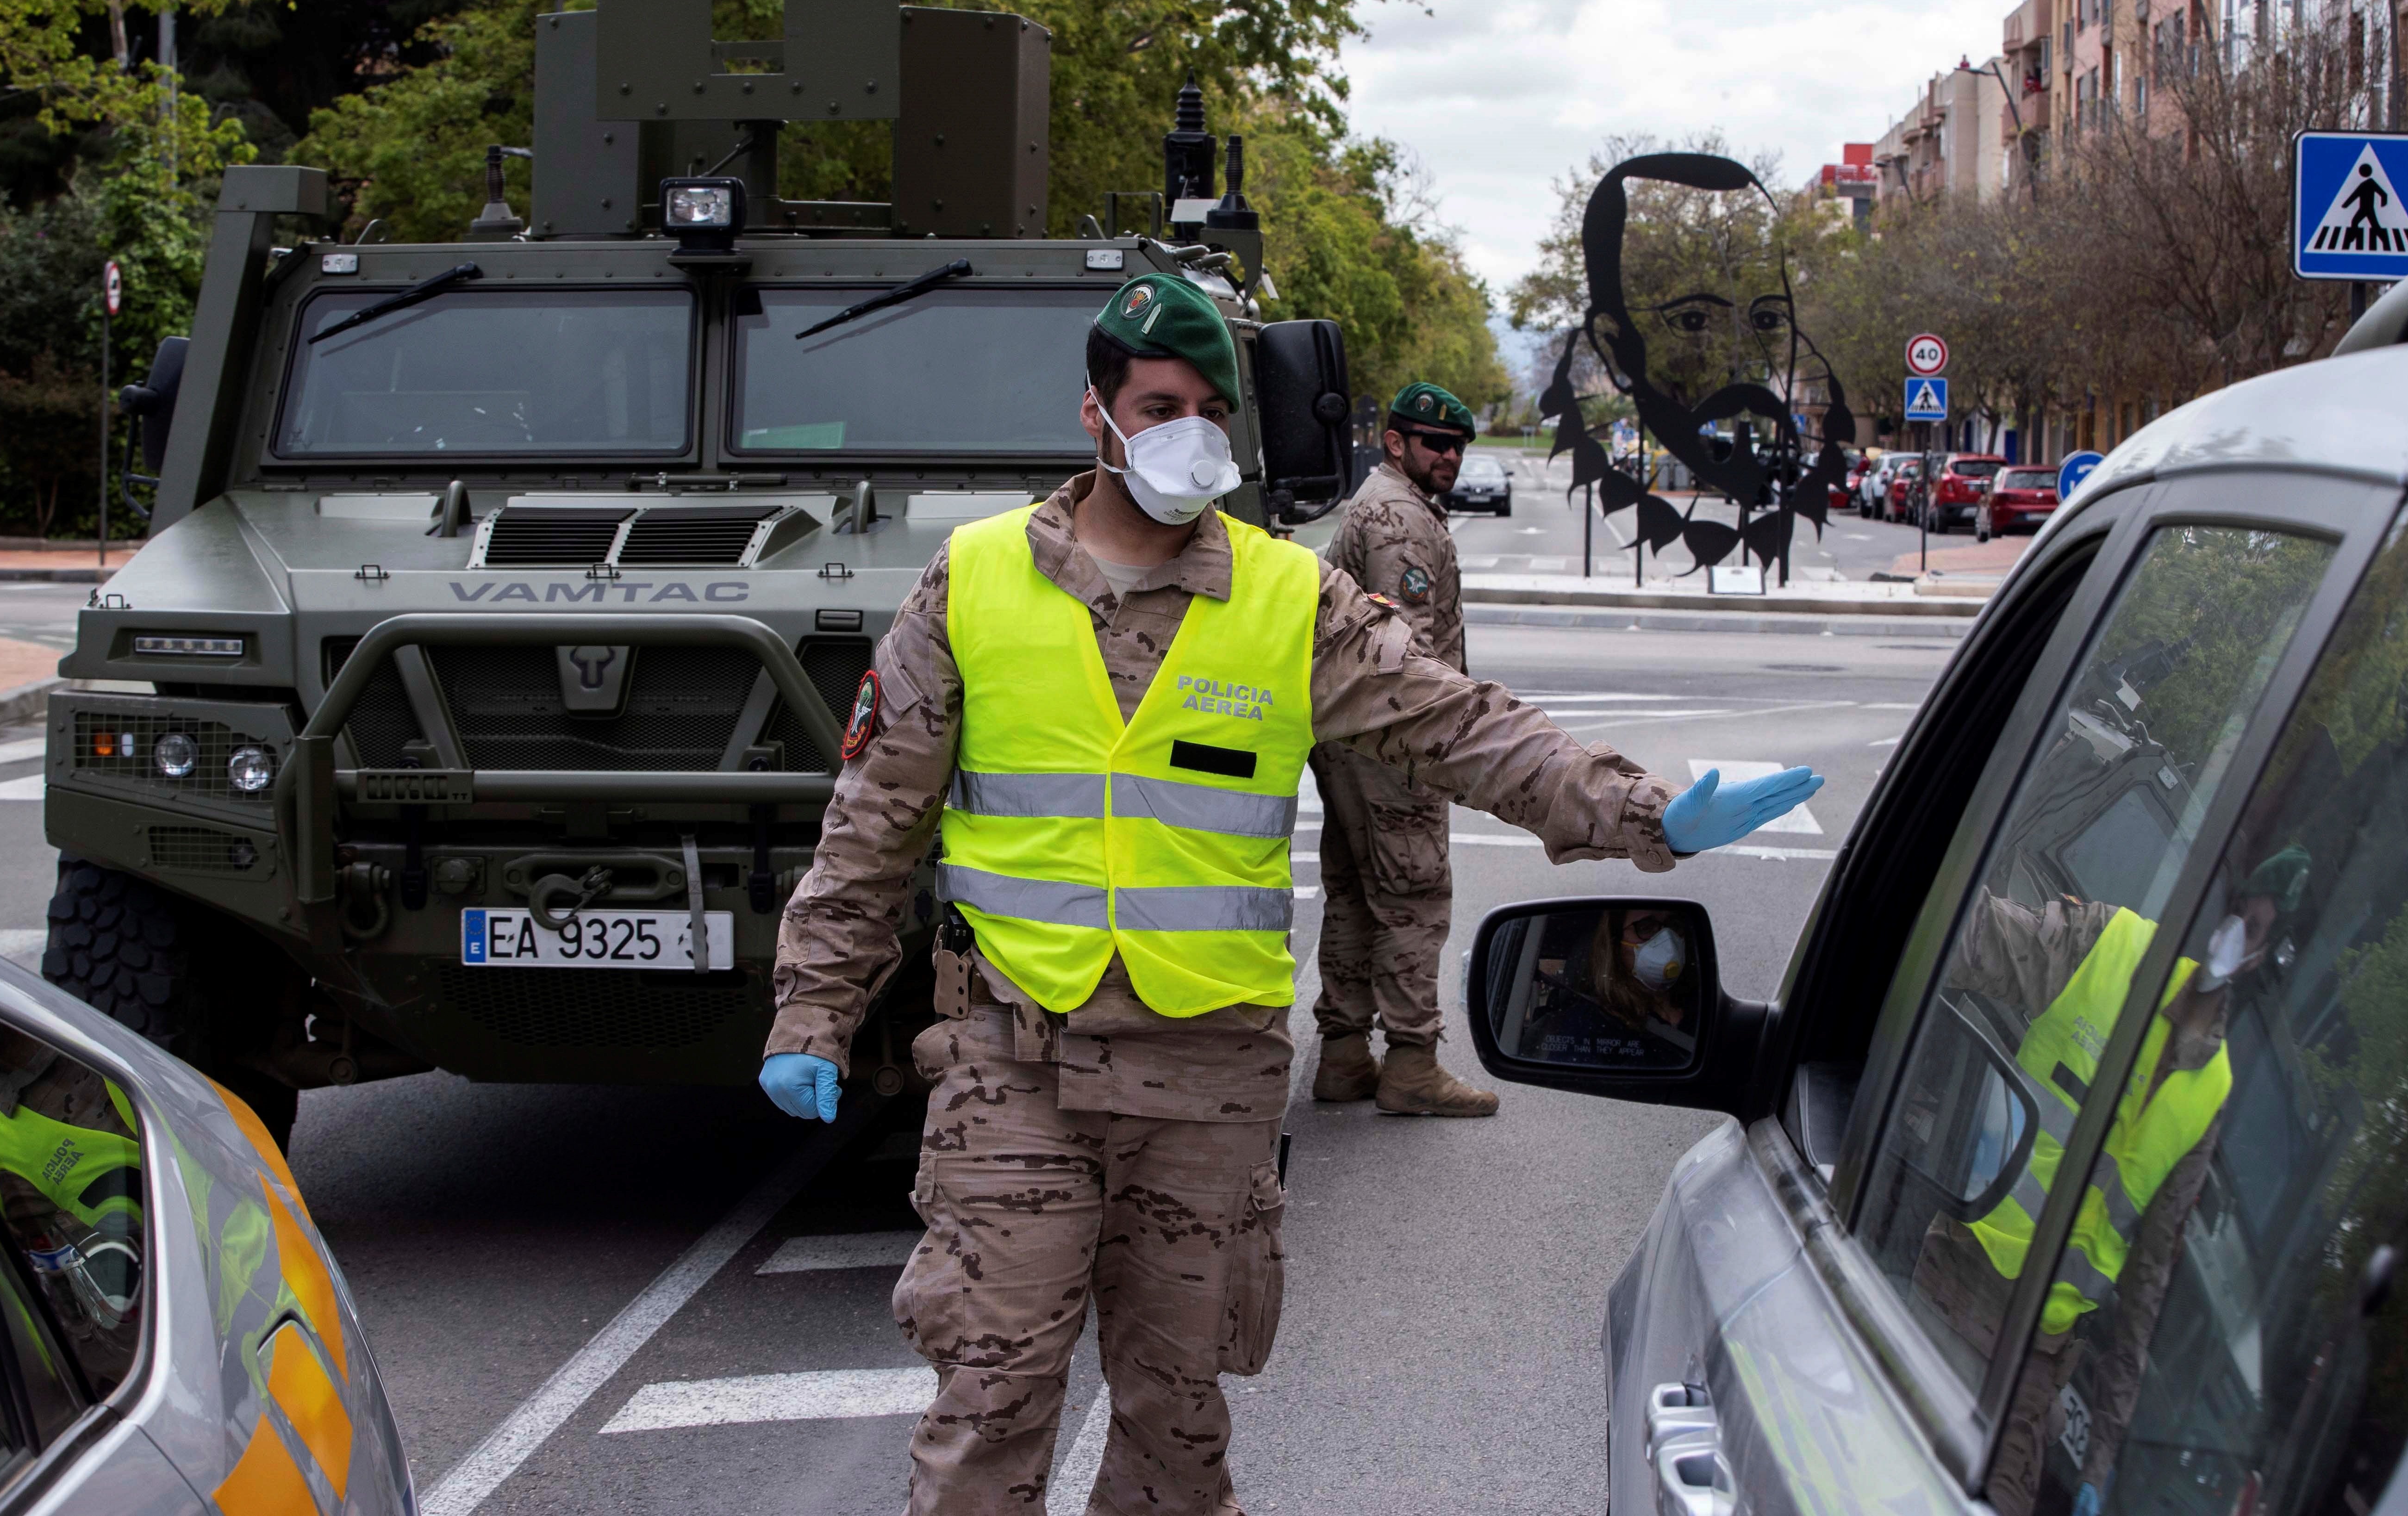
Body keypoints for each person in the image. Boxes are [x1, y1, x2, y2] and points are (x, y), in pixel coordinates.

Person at [758, 273, 1822, 1516]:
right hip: (1015, 1067)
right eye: (1160, 403)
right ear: (1095, 414)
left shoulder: (1287, 599)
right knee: (985, 1422)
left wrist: (1643, 811)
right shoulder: (977, 578)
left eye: (1212, 406)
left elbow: (1459, 725)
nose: (1188, 431)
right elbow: (874, 819)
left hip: (1206, 1079)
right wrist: (810, 1008)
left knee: (1175, 1435)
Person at [1916, 845, 2306, 1516]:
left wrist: (2099, 1458)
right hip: (1948, 1289)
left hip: (2028, 1370)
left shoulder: (2206, 1096)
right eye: (2236, 910)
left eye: (2255, 927)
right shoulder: (2111, 944)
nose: (2232, 931)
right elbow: (1974, 940)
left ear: (2256, 960)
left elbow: (2148, 1280)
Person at [1308, 380, 1493, 1115]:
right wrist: (1446, 740)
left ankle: (1345, 1055)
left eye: (1456, 447)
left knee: (1355, 892)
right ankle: (1411, 1062)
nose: (1449, 457)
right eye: (1435, 444)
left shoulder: (1386, 505)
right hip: (1393, 739)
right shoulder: (1397, 518)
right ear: (1396, 443)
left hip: (1351, 733)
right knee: (1414, 896)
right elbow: (1406, 653)